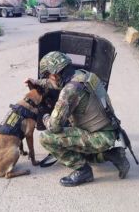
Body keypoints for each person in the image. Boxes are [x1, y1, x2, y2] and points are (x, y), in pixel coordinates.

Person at [25, 51, 130, 187]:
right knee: (72, 142)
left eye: (47, 75)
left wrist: (44, 115)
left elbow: (54, 126)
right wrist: (38, 82)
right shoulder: (84, 75)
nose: (47, 78)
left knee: (47, 138)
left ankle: (82, 171)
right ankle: (114, 155)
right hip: (109, 131)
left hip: (98, 136)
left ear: (55, 74)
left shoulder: (69, 91)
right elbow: (57, 84)